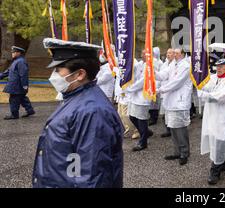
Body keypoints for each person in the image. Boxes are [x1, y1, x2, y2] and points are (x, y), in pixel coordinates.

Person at [32, 38, 123, 188]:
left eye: (58, 70)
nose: (53, 75)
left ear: (80, 74)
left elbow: (91, 176)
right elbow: (73, 161)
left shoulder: (92, 111)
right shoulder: (76, 98)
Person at [197, 59, 225, 185]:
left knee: (220, 142)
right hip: (211, 115)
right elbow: (205, 86)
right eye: (217, 66)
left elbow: (220, 97)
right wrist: (199, 82)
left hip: (222, 118)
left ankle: (215, 172)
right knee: (214, 139)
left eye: (222, 66)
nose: (219, 68)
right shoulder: (214, 77)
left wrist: (203, 94)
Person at [156, 48, 192, 165]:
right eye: (174, 53)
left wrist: (160, 90)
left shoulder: (186, 66)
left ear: (182, 54)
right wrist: (152, 72)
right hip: (171, 102)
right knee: (172, 127)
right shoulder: (173, 65)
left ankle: (184, 153)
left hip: (180, 102)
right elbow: (163, 75)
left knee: (180, 128)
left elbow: (176, 83)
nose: (174, 55)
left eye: (177, 53)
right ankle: (177, 151)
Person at [126, 50, 154, 151]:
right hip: (135, 96)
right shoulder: (140, 64)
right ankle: (146, 132)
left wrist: (130, 88)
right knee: (132, 117)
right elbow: (132, 70)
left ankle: (143, 142)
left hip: (143, 97)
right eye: (142, 53)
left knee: (142, 119)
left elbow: (142, 82)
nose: (142, 55)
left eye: (144, 54)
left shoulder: (150, 66)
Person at [0, 46, 35, 120]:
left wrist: (25, 86)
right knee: (22, 98)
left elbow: (23, 75)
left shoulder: (21, 62)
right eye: (12, 52)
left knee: (13, 99)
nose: (12, 53)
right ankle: (30, 110)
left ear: (19, 53)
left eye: (14, 52)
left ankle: (14, 115)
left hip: (17, 86)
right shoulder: (16, 61)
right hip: (16, 86)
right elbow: (8, 72)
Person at [159, 48, 175, 138]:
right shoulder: (164, 65)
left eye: (170, 53)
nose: (168, 55)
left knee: (171, 112)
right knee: (164, 113)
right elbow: (161, 76)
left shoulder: (176, 65)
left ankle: (172, 130)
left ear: (174, 54)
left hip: (171, 91)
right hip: (163, 91)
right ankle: (168, 129)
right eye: (167, 53)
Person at [149, 47, 163, 125]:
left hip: (157, 83)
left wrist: (158, 84)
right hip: (151, 83)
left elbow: (160, 74)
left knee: (155, 102)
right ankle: (151, 116)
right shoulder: (150, 61)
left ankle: (154, 117)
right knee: (150, 101)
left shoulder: (160, 62)